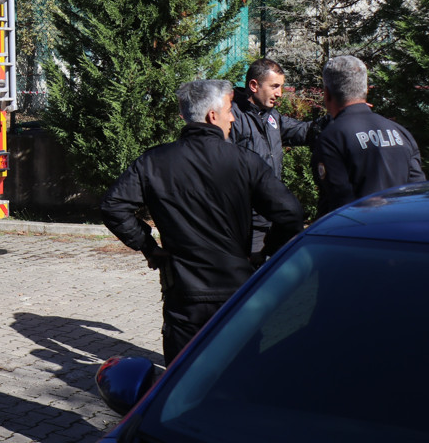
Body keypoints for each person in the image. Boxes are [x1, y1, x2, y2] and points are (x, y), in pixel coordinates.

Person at [101, 79, 304, 365]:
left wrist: (149, 247)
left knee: (182, 377)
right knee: (238, 374)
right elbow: (291, 213)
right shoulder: (244, 160)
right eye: (229, 110)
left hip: (184, 295)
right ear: (212, 115)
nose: (233, 118)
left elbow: (113, 206)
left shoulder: (154, 161)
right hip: (235, 291)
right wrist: (265, 253)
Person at [229, 58, 320, 261]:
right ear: (254, 85)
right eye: (275, 86)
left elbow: (302, 131)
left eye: (281, 87)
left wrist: (336, 118)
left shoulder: (271, 116)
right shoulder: (233, 117)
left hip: (273, 217)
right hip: (247, 222)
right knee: (251, 274)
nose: (279, 93)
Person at [313, 55, 425, 216]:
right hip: (401, 226)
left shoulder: (332, 137)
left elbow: (339, 202)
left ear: (327, 94)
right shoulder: (401, 132)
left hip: (359, 229)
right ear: (366, 90)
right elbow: (417, 193)